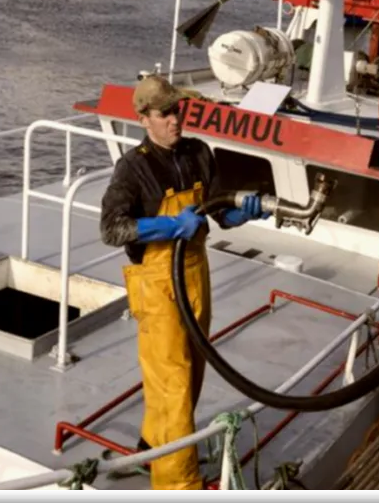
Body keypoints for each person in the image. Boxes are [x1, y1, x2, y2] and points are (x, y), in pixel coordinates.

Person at [99, 74, 269, 490]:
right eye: (166, 114)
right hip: (156, 285)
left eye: (179, 111)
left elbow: (219, 213)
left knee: (189, 376)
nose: (176, 120)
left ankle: (151, 446)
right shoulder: (133, 166)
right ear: (143, 119)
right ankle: (179, 484)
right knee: (172, 382)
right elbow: (112, 228)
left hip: (196, 273)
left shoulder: (199, 153)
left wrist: (242, 211)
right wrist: (170, 225)